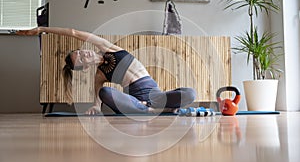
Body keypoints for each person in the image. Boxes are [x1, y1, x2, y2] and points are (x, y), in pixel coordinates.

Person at [17, 27, 196, 115]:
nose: (83, 53)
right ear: (85, 66)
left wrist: (42, 29)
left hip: (155, 94)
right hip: (135, 99)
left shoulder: (108, 47)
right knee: (105, 92)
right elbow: (98, 101)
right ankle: (153, 111)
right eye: (81, 58)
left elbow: (73, 32)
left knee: (190, 94)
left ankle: (153, 109)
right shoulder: (100, 75)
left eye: (80, 51)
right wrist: (94, 107)